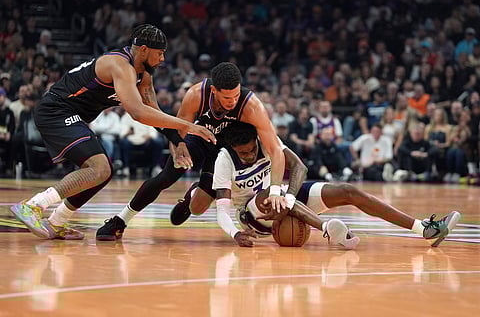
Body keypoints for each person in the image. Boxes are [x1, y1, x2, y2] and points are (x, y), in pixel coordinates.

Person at [9, 24, 216, 240]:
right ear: (143, 49)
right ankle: (32, 206)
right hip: (56, 110)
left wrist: (177, 140)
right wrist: (187, 126)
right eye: (160, 53)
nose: (163, 59)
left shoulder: (144, 74)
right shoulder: (119, 65)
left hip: (72, 115)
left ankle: (56, 222)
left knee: (102, 173)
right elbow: (137, 112)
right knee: (99, 167)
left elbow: (153, 109)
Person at [96, 62, 288, 240]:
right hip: (199, 137)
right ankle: (120, 220)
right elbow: (177, 131)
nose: (233, 102)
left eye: (236, 96)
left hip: (225, 152)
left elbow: (276, 150)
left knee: (197, 208)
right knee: (167, 176)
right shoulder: (197, 94)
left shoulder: (252, 106)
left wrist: (276, 190)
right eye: (227, 97)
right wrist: (178, 148)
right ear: (214, 90)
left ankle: (190, 197)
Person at [212, 122, 461, 248]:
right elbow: (222, 209)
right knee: (271, 194)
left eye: (251, 150)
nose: (247, 156)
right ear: (233, 149)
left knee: (347, 190)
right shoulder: (224, 159)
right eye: (242, 153)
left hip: (285, 198)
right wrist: (235, 233)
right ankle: (327, 229)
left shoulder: (267, 140)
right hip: (253, 212)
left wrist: (288, 195)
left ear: (257, 140)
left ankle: (425, 229)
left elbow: (299, 167)